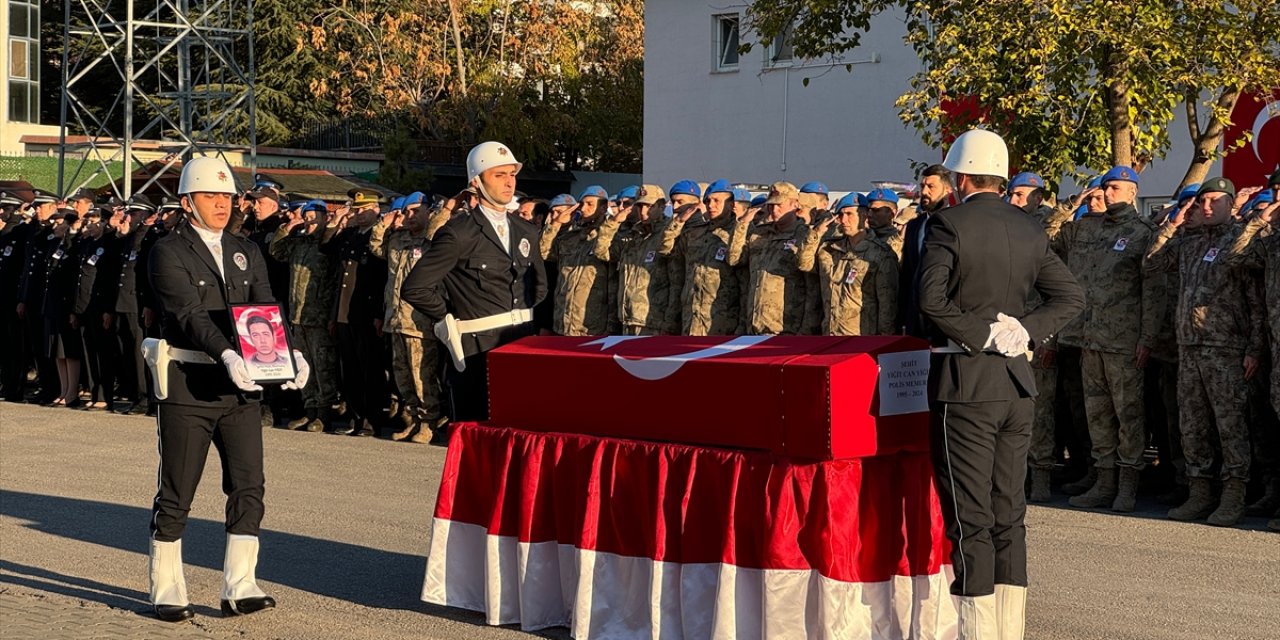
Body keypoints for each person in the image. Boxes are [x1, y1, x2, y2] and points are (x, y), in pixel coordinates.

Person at [918, 128, 1084, 639]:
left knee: (970, 518)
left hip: (966, 383)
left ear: (961, 177)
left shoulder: (947, 222)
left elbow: (931, 301)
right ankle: (1008, 631)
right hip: (1016, 384)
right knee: (1009, 513)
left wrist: (983, 335)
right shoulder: (1030, 228)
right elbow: (1070, 297)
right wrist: (1023, 329)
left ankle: (977, 633)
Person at [143, 156, 309, 622]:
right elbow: (187, 314)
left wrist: (288, 354)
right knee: (178, 489)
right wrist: (228, 354)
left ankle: (240, 583)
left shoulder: (244, 248)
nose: (222, 204)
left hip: (243, 388)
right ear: (187, 201)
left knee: (248, 485)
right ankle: (167, 587)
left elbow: (263, 306)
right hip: (189, 385)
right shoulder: (167, 250)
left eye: (227, 196)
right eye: (211, 196)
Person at [1144, 177, 1265, 527]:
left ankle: (1233, 495)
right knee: (1192, 424)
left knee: (1229, 426)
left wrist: (1255, 348)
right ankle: (1199, 492)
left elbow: (1255, 301)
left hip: (1226, 349)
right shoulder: (1190, 242)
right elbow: (1151, 265)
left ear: (1231, 203)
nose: (1206, 207)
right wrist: (1174, 224)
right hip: (1189, 347)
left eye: (1214, 201)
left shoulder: (1240, 241)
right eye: (1202, 202)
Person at [401, 141, 546, 422]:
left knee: (521, 434)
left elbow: (538, 286)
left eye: (512, 174)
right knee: (478, 436)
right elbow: (416, 287)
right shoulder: (459, 233)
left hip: (521, 345)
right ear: (476, 182)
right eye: (499, 175)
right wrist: (449, 318)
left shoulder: (525, 230)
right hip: (478, 348)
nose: (509, 182)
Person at [1046, 166, 1160, 513]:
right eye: (1104, 187)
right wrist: (1069, 205)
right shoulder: (1084, 229)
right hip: (1089, 338)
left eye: (1115, 188)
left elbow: (1153, 290)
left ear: (1132, 192)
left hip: (1124, 341)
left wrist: (1148, 337)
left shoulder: (1142, 232)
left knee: (1128, 416)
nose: (1107, 193)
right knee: (1097, 415)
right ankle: (1104, 480)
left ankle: (1127, 485)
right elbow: (1043, 238)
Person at [900, 164, 953, 337]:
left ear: (947, 190)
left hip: (946, 319)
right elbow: (908, 274)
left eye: (931, 187)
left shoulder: (956, 225)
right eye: (923, 186)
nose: (924, 192)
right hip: (916, 322)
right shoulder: (915, 226)